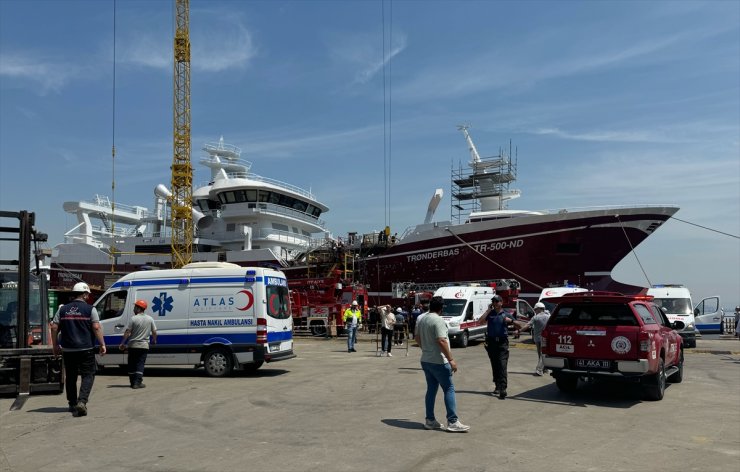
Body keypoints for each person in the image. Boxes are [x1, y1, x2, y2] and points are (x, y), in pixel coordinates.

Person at [50, 281, 106, 416]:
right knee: (88, 375)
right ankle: (82, 401)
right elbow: (96, 327)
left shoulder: (62, 309)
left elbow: (54, 327)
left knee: (70, 377)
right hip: (86, 349)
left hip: (68, 349)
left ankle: (72, 403)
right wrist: (102, 344)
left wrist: (55, 345)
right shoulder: (90, 309)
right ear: (85, 294)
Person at [416, 296, 469, 432]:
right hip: (439, 361)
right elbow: (441, 340)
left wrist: (425, 349)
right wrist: (451, 359)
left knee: (431, 390)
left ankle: (430, 420)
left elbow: (417, 337)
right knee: (449, 388)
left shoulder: (423, 319)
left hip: (426, 359)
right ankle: (452, 421)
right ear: (442, 307)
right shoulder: (438, 320)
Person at [481, 294, 515, 399]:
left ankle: (503, 388)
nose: (495, 303)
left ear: (501, 302)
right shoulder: (490, 313)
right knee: (495, 365)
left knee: (502, 365)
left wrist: (511, 322)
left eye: (496, 301)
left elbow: (518, 325)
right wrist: (487, 310)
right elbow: (480, 321)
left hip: (502, 343)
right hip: (491, 343)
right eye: (493, 302)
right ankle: (497, 385)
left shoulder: (506, 314)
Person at [118, 300, 157, 389]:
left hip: (133, 345)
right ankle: (137, 383)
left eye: (135, 307)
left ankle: (133, 382)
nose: (134, 309)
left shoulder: (133, 318)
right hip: (144, 346)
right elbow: (154, 331)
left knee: (132, 363)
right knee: (140, 364)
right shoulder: (150, 319)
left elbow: (128, 332)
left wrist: (122, 343)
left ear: (139, 308)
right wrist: (154, 340)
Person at [524, 302, 551, 376]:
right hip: (545, 339)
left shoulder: (535, 317)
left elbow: (528, 325)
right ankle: (545, 369)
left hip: (538, 339)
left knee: (541, 354)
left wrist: (519, 330)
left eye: (535, 309)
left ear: (539, 309)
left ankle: (539, 370)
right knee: (542, 354)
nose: (535, 311)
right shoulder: (548, 317)